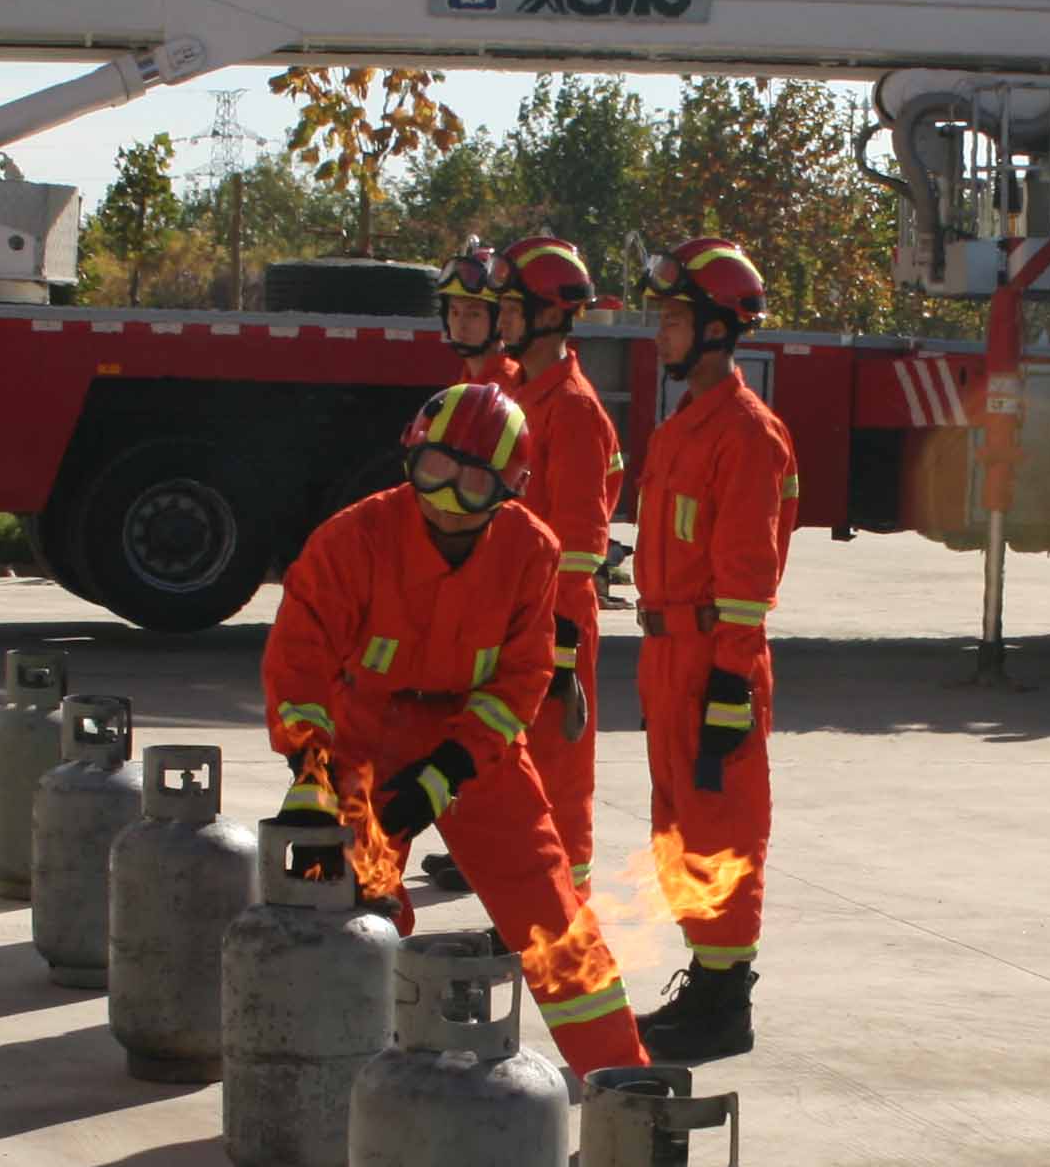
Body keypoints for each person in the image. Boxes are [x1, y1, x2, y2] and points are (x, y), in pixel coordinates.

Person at [262, 382, 651, 1074]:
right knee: (336, 902)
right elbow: (300, 664)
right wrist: (312, 777)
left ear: (509, 489)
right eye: (436, 468)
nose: (448, 495)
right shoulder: (353, 538)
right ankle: (339, 1070)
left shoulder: (532, 551)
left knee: (552, 920)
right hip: (359, 736)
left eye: (473, 480)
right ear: (410, 456)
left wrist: (447, 773)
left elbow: (518, 683)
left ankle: (622, 1083)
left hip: (474, 744)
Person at [626, 237, 800, 1062]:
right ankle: (705, 973)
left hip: (713, 661)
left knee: (722, 827)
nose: (660, 331)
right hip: (667, 657)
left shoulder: (746, 435)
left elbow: (745, 576)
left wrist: (730, 680)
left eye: (674, 317)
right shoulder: (681, 430)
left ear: (720, 331)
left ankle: (727, 1002)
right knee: (678, 823)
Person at [493, 235, 621, 908]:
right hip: (516, 630)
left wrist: (563, 664)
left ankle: (565, 923)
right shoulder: (521, 395)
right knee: (519, 783)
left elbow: (577, 551)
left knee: (557, 784)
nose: (503, 319)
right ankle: (531, 914)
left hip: (553, 632)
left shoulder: (570, 410)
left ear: (549, 315)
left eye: (514, 307)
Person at [433, 244, 515, 387]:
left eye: (474, 314)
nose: (460, 325)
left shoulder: (511, 385)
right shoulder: (468, 378)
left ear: (499, 319)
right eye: (455, 312)